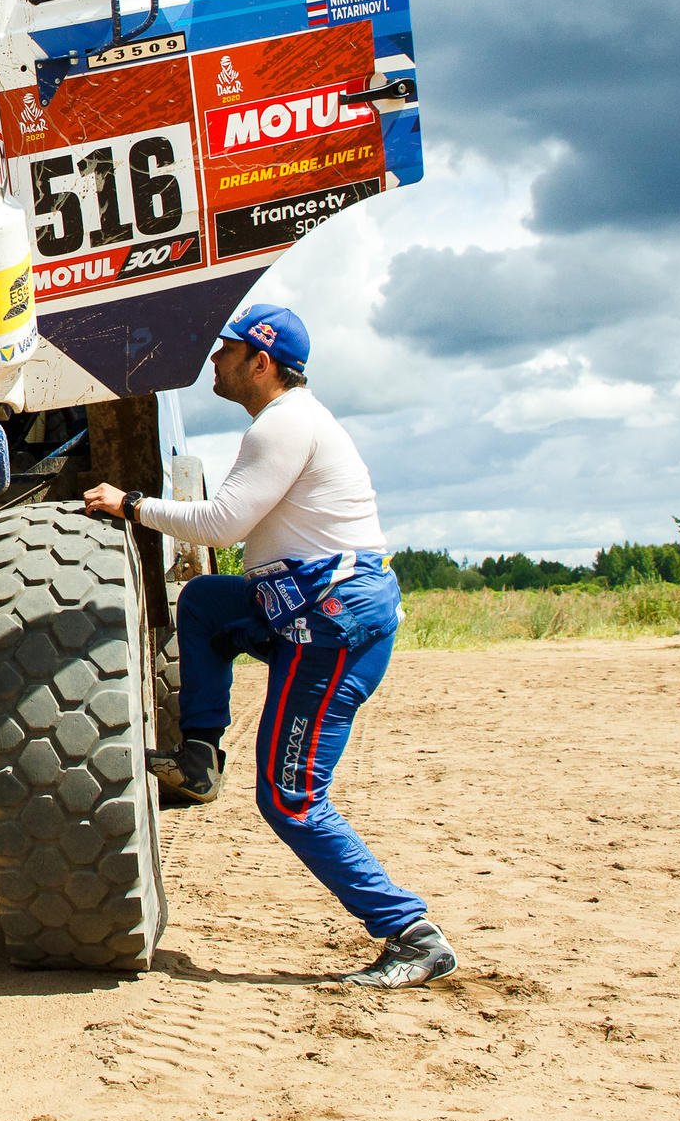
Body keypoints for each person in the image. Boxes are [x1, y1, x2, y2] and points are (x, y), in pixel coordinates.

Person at [81, 305, 456, 990]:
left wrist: (129, 503)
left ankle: (411, 931)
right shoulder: (287, 421)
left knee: (290, 799)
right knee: (204, 604)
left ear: (261, 360)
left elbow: (223, 523)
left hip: (330, 629)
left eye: (225, 351)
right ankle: (199, 753)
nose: (214, 361)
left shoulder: (285, 422)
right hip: (298, 605)